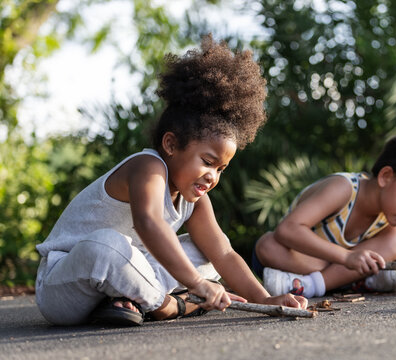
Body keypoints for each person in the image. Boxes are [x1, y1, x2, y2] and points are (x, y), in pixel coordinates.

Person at [35, 35, 307, 326]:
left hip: (122, 284)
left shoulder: (196, 199)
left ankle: (129, 300)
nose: (212, 176)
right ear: (171, 145)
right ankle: (169, 306)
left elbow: (224, 254)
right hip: (65, 285)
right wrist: (197, 284)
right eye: (207, 162)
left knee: (205, 253)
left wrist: (265, 299)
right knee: (108, 245)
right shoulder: (147, 167)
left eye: (221, 169)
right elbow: (148, 223)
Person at [252, 132, 396, 298]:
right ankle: (357, 281)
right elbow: (287, 230)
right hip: (306, 258)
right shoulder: (343, 189)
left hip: (329, 270)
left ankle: (311, 285)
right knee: (267, 245)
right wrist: (346, 258)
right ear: (386, 177)